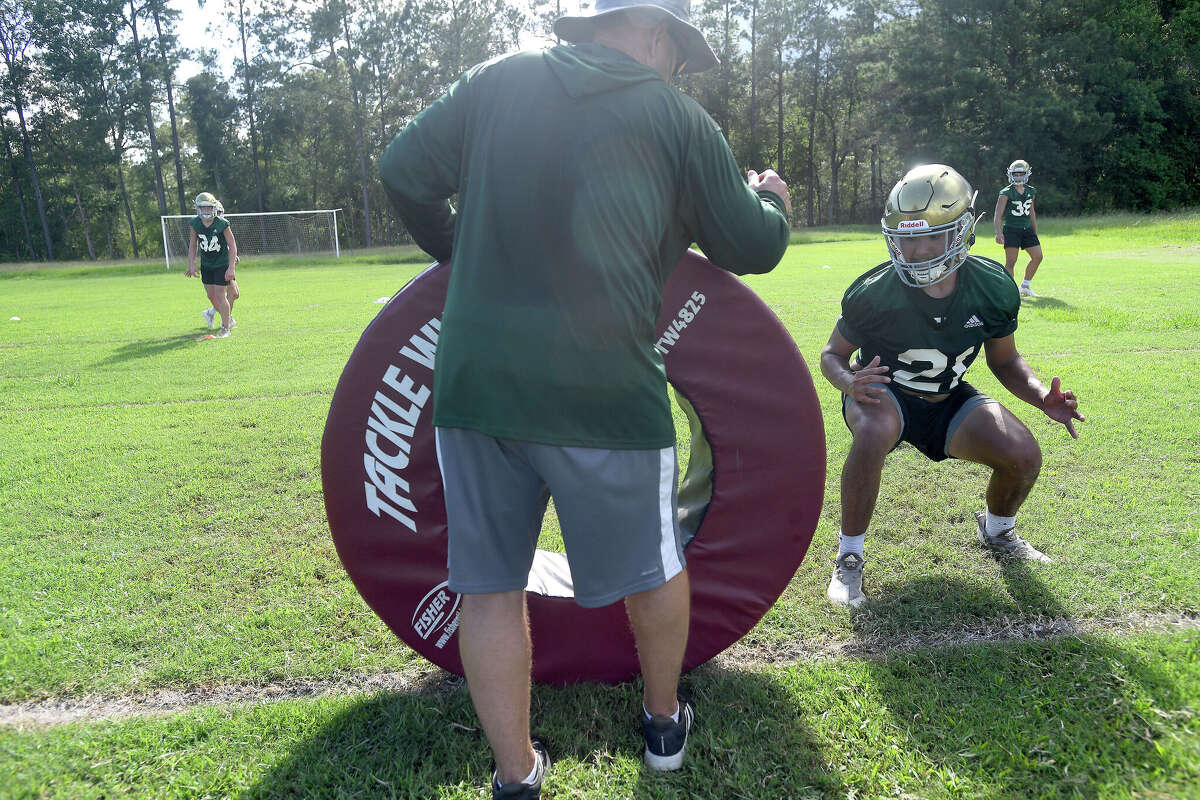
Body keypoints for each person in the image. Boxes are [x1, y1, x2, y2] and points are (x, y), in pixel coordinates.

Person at [377, 0, 791, 796]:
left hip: (478, 385)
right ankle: (663, 724)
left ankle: (515, 775)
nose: (677, 69)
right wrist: (770, 196)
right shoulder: (677, 116)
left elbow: (401, 170)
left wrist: (456, 247)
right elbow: (751, 245)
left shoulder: (497, 79)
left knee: (489, 583)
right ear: (658, 35)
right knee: (652, 565)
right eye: (679, 54)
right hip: (606, 394)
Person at [820, 164, 1083, 609]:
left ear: (963, 232)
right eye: (906, 238)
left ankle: (998, 531)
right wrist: (850, 381)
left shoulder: (992, 286)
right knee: (871, 433)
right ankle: (849, 558)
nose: (918, 250)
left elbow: (1006, 360)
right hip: (885, 391)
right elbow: (831, 355)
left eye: (931, 237)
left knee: (1023, 456)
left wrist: (1041, 395)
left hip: (947, 399)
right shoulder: (875, 291)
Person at [185, 192, 238, 338]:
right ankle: (225, 318)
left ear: (213, 208)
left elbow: (232, 245)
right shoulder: (195, 223)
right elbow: (192, 245)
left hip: (221, 263)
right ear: (198, 209)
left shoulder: (222, 223)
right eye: (203, 208)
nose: (206, 211)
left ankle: (225, 328)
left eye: (209, 208)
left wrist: (231, 266)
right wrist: (191, 263)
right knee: (211, 296)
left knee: (221, 295)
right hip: (207, 265)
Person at [993, 159, 1042, 297]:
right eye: (1016, 174)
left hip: (1027, 230)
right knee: (1011, 262)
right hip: (1011, 229)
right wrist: (998, 232)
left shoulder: (1031, 191)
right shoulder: (1006, 192)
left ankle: (1025, 286)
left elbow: (1031, 212)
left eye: (1021, 174)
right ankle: (1010, 290)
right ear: (1011, 174)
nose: (1018, 177)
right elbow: (998, 214)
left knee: (1038, 256)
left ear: (1027, 174)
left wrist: (1035, 230)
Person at [201, 200, 241, 331]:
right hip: (217, 265)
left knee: (234, 294)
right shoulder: (207, 226)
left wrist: (233, 257)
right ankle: (226, 320)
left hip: (225, 263)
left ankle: (211, 313)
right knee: (231, 294)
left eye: (219, 212)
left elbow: (225, 245)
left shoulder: (222, 225)